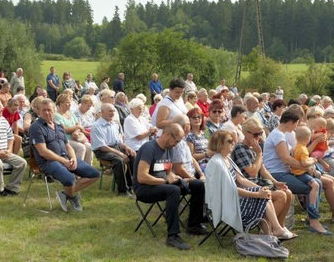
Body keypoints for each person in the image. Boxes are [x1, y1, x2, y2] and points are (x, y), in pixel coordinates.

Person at [206, 130, 296, 239]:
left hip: (235, 198)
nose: (233, 143)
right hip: (228, 204)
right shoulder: (217, 163)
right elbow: (231, 189)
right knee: (266, 197)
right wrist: (258, 194)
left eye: (233, 140)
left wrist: (261, 189)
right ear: (220, 144)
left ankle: (272, 231)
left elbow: (241, 180)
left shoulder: (227, 159)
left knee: (268, 194)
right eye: (229, 141)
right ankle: (273, 230)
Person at [133, 122, 208, 250]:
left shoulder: (169, 149)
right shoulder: (149, 148)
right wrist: (166, 181)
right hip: (144, 188)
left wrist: (179, 179)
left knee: (197, 184)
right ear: (167, 135)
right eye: (177, 141)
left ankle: (194, 224)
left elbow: (168, 172)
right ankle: (173, 236)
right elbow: (142, 177)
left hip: (161, 185)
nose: (177, 144)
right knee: (173, 190)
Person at [29, 98, 100, 212]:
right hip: (48, 162)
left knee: (94, 174)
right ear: (39, 111)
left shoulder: (59, 126)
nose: (47, 113)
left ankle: (65, 193)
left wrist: (73, 159)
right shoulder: (36, 127)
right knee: (69, 179)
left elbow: (68, 146)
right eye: (44, 110)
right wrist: (64, 161)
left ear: (54, 110)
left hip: (66, 159)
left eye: (49, 110)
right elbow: (43, 152)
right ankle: (72, 196)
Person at [91, 103, 136, 197]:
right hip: (102, 151)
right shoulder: (96, 126)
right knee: (119, 160)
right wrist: (120, 154)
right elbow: (102, 147)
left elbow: (119, 142)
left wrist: (127, 148)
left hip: (114, 147)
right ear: (102, 112)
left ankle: (132, 185)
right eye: (110, 111)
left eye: (113, 111)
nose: (112, 113)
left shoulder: (114, 124)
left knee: (132, 155)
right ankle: (122, 190)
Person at [55, 92, 92, 164]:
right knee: (81, 147)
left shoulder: (71, 113)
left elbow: (80, 126)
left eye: (70, 102)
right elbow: (63, 130)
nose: (70, 104)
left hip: (76, 137)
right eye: (68, 102)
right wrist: (77, 127)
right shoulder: (57, 116)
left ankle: (87, 171)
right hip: (65, 140)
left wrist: (76, 131)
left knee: (89, 146)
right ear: (61, 103)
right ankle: (77, 171)